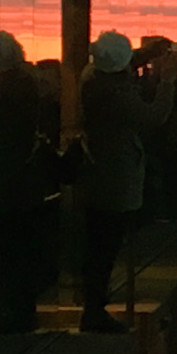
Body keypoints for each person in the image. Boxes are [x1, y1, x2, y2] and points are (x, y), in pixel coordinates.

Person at [74, 30, 147, 333]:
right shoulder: (118, 95)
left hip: (98, 178)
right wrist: (167, 84)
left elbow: (115, 66)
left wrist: (146, 54)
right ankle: (94, 311)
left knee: (97, 246)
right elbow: (153, 117)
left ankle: (93, 306)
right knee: (105, 248)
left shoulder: (92, 80)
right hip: (115, 181)